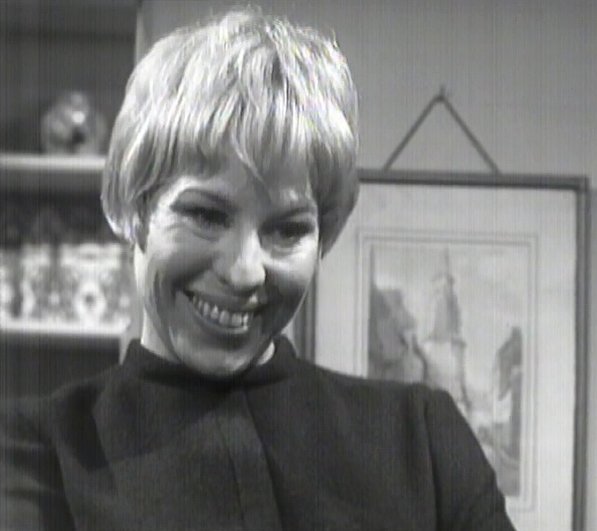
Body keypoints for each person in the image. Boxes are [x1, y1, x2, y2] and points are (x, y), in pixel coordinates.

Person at [0, 7, 516, 530]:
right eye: (206, 216)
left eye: (287, 230)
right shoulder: (34, 452)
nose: (246, 272)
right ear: (136, 210)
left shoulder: (422, 442)